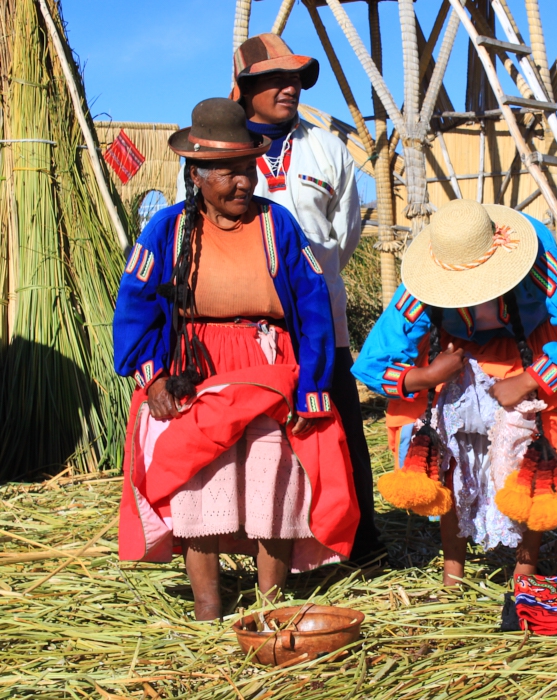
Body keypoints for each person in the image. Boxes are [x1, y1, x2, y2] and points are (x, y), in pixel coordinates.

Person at [116, 98, 359, 620]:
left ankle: (270, 604)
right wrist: (153, 377)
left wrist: (313, 387)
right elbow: (135, 305)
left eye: (248, 170)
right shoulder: (168, 229)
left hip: (270, 366)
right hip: (197, 369)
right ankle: (208, 604)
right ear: (197, 175)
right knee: (200, 477)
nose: (243, 183)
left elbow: (314, 305)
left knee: (275, 472)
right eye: (227, 174)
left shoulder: (280, 226)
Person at [178, 34, 380, 559]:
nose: (289, 87)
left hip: (317, 321)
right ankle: (254, 544)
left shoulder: (326, 148)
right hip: (239, 334)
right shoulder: (221, 145)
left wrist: (311, 284)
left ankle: (356, 541)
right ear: (246, 88)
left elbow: (345, 231)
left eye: (295, 78)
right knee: (252, 441)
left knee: (335, 431)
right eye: (275, 78)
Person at [352, 200, 557, 585]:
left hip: (531, 352)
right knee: (447, 449)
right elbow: (372, 361)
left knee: (532, 453)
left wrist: (530, 380)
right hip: (455, 356)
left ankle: (526, 567)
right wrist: (428, 375)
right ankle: (454, 568)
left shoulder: (534, 255)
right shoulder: (428, 274)